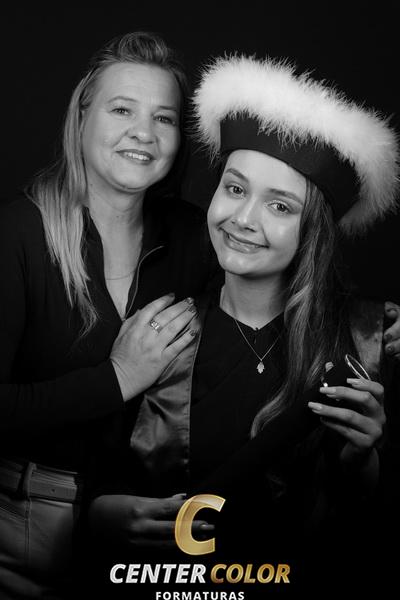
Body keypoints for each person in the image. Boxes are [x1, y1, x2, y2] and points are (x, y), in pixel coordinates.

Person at [87, 54, 400, 595]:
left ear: (313, 232)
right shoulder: (161, 334)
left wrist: (362, 462)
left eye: (280, 207)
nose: (244, 219)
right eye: (235, 189)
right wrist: (102, 515)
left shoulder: (372, 344)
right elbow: (100, 482)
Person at [0, 31, 219, 599]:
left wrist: (370, 328)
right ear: (81, 118)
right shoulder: (17, 235)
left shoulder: (195, 236)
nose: (144, 133)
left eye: (163, 118)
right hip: (24, 529)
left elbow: (275, 299)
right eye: (122, 109)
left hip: (150, 533)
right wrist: (118, 377)